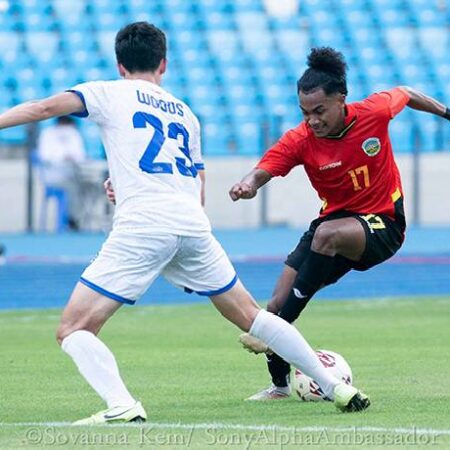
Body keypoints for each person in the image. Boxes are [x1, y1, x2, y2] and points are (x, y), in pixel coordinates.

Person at [0, 24, 370, 425]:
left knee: (73, 327)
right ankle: (335, 386)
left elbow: (40, 109)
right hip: (192, 222)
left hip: (145, 223)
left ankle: (122, 404)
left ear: (120, 64)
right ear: (164, 63)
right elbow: (197, 181)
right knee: (252, 316)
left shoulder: (107, 91)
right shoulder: (185, 113)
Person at [230, 47, 450, 400]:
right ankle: (280, 386)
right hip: (333, 223)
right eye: (305, 113)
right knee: (273, 305)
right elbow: (267, 167)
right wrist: (248, 185)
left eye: (319, 111)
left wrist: (446, 112)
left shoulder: (373, 113)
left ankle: (281, 329)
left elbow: (406, 94)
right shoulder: (301, 139)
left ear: (341, 100)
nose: (312, 120)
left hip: (383, 225)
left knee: (324, 238)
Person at [37, 115, 87, 231]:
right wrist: (63, 157)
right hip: (54, 176)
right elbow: (44, 156)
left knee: (88, 185)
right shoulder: (47, 134)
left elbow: (81, 156)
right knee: (75, 187)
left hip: (73, 174)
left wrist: (72, 157)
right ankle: (72, 219)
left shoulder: (74, 134)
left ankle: (78, 218)